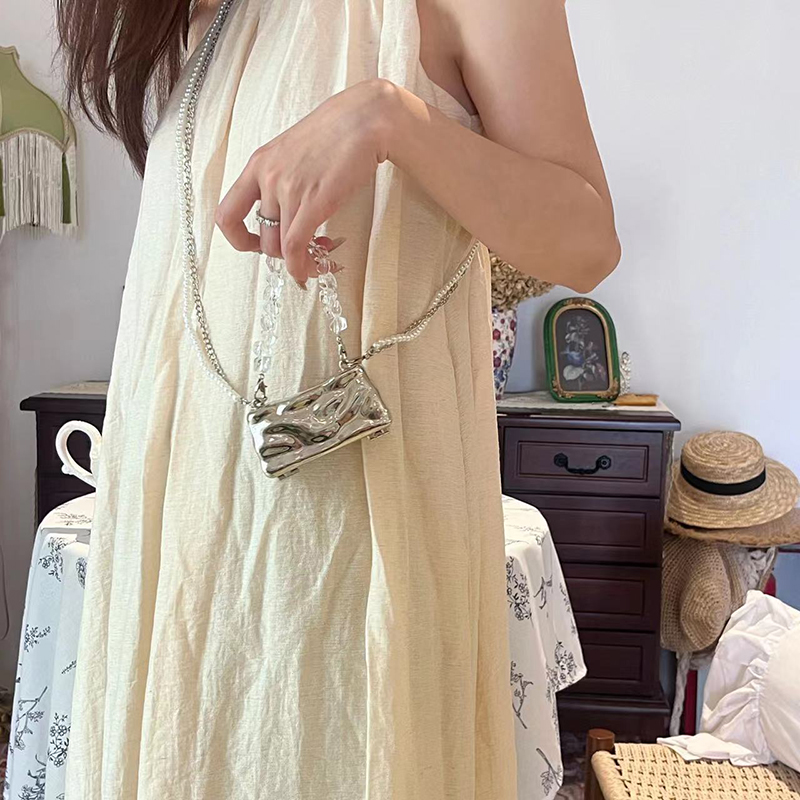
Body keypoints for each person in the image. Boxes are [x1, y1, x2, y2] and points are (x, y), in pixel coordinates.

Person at [56, 0, 620, 797]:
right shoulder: (203, 19)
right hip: (180, 555)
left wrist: (391, 118)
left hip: (351, 577)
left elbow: (586, 240)